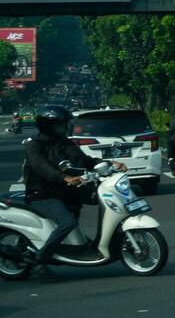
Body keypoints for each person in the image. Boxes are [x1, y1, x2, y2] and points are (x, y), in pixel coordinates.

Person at [21, 106, 117, 269]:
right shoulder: (34, 146)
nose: (64, 128)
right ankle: (42, 256)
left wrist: (108, 164)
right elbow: (41, 167)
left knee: (103, 199)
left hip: (63, 191)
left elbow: (83, 159)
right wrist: (65, 177)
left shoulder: (64, 143)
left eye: (65, 124)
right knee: (67, 222)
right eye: (60, 124)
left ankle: (94, 244)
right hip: (42, 194)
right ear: (48, 125)